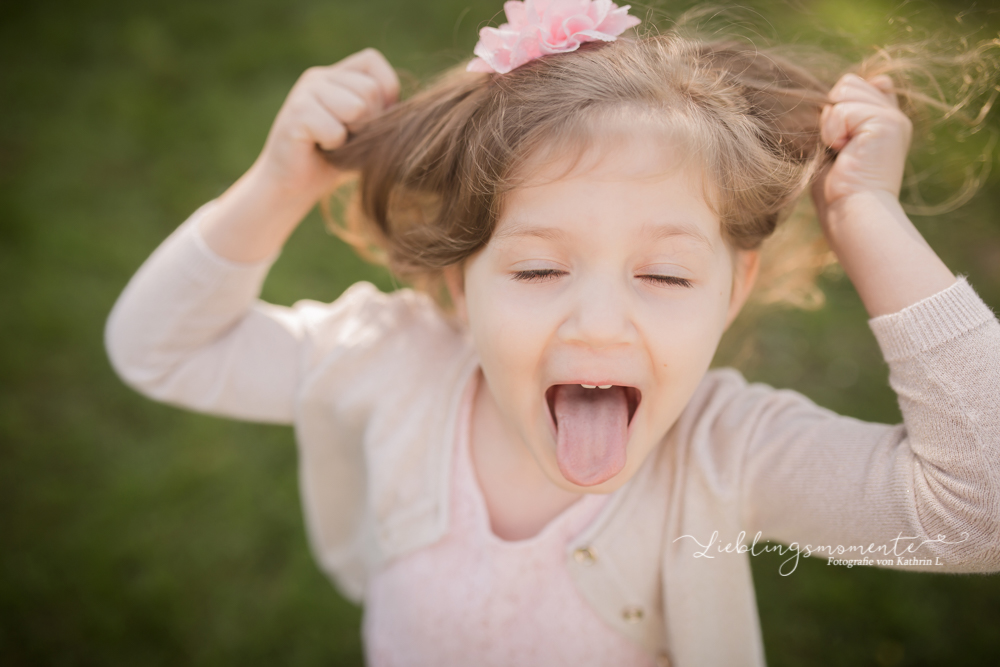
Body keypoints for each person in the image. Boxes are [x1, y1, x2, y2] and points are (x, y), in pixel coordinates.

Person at [104, 1, 1000, 665]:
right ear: (460, 284)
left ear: (736, 286)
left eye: (664, 274)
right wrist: (276, 184)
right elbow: (162, 349)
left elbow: (980, 516)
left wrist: (865, 213)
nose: (600, 322)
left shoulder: (727, 457)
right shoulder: (391, 363)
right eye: (538, 270)